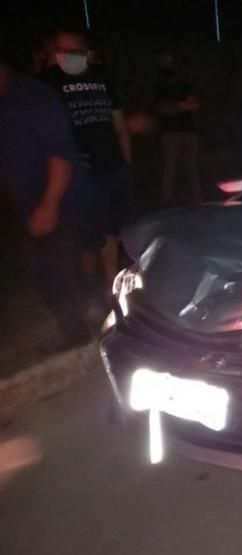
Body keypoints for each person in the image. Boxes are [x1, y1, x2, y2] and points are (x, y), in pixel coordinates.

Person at [0, 51, 91, 348]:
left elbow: (60, 154)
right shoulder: (7, 100)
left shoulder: (32, 96)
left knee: (55, 274)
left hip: (54, 204)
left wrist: (48, 206)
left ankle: (79, 335)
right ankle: (78, 329)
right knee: (44, 274)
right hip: (27, 203)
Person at [40, 28, 134, 294]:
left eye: (76, 51)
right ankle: (87, 286)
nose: (69, 56)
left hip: (112, 166)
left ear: (87, 51)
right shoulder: (47, 82)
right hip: (77, 172)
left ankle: (108, 288)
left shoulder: (101, 76)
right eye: (63, 51)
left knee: (114, 231)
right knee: (87, 236)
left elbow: (119, 125)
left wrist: (126, 162)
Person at [153, 52, 202, 205]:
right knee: (170, 168)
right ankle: (167, 202)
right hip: (170, 132)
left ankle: (198, 201)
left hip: (188, 131)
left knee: (192, 168)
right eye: (164, 63)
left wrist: (175, 106)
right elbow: (163, 109)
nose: (167, 66)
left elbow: (194, 105)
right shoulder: (159, 86)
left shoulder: (184, 85)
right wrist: (181, 105)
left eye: (169, 62)